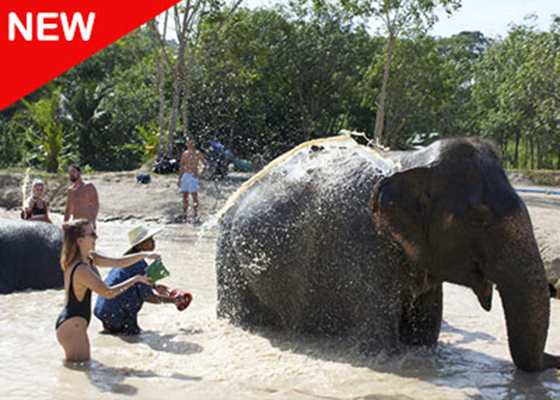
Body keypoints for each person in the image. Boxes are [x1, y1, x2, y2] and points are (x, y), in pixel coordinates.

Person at [55, 219, 159, 362]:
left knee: (79, 374)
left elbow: (117, 262)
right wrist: (135, 279)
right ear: (79, 240)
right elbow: (108, 293)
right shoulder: (81, 269)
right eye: (92, 234)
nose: (96, 238)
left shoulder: (89, 258)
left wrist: (144, 255)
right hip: (73, 327)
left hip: (74, 324)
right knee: (80, 370)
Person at [94, 225, 188, 335]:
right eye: (149, 240)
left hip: (103, 308)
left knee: (118, 335)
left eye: (153, 239)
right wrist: (173, 300)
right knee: (133, 335)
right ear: (139, 246)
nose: (153, 242)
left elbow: (132, 280)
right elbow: (148, 297)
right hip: (116, 312)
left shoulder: (127, 259)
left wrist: (155, 286)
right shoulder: (138, 264)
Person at [178, 139, 207, 221]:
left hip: (193, 176)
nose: (190, 144)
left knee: (194, 195)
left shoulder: (197, 154)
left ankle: (195, 213)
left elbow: (204, 163)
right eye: (189, 143)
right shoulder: (185, 154)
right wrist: (180, 178)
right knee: (185, 195)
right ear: (187, 144)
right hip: (186, 175)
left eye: (192, 143)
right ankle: (185, 213)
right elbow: (181, 166)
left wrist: (199, 173)